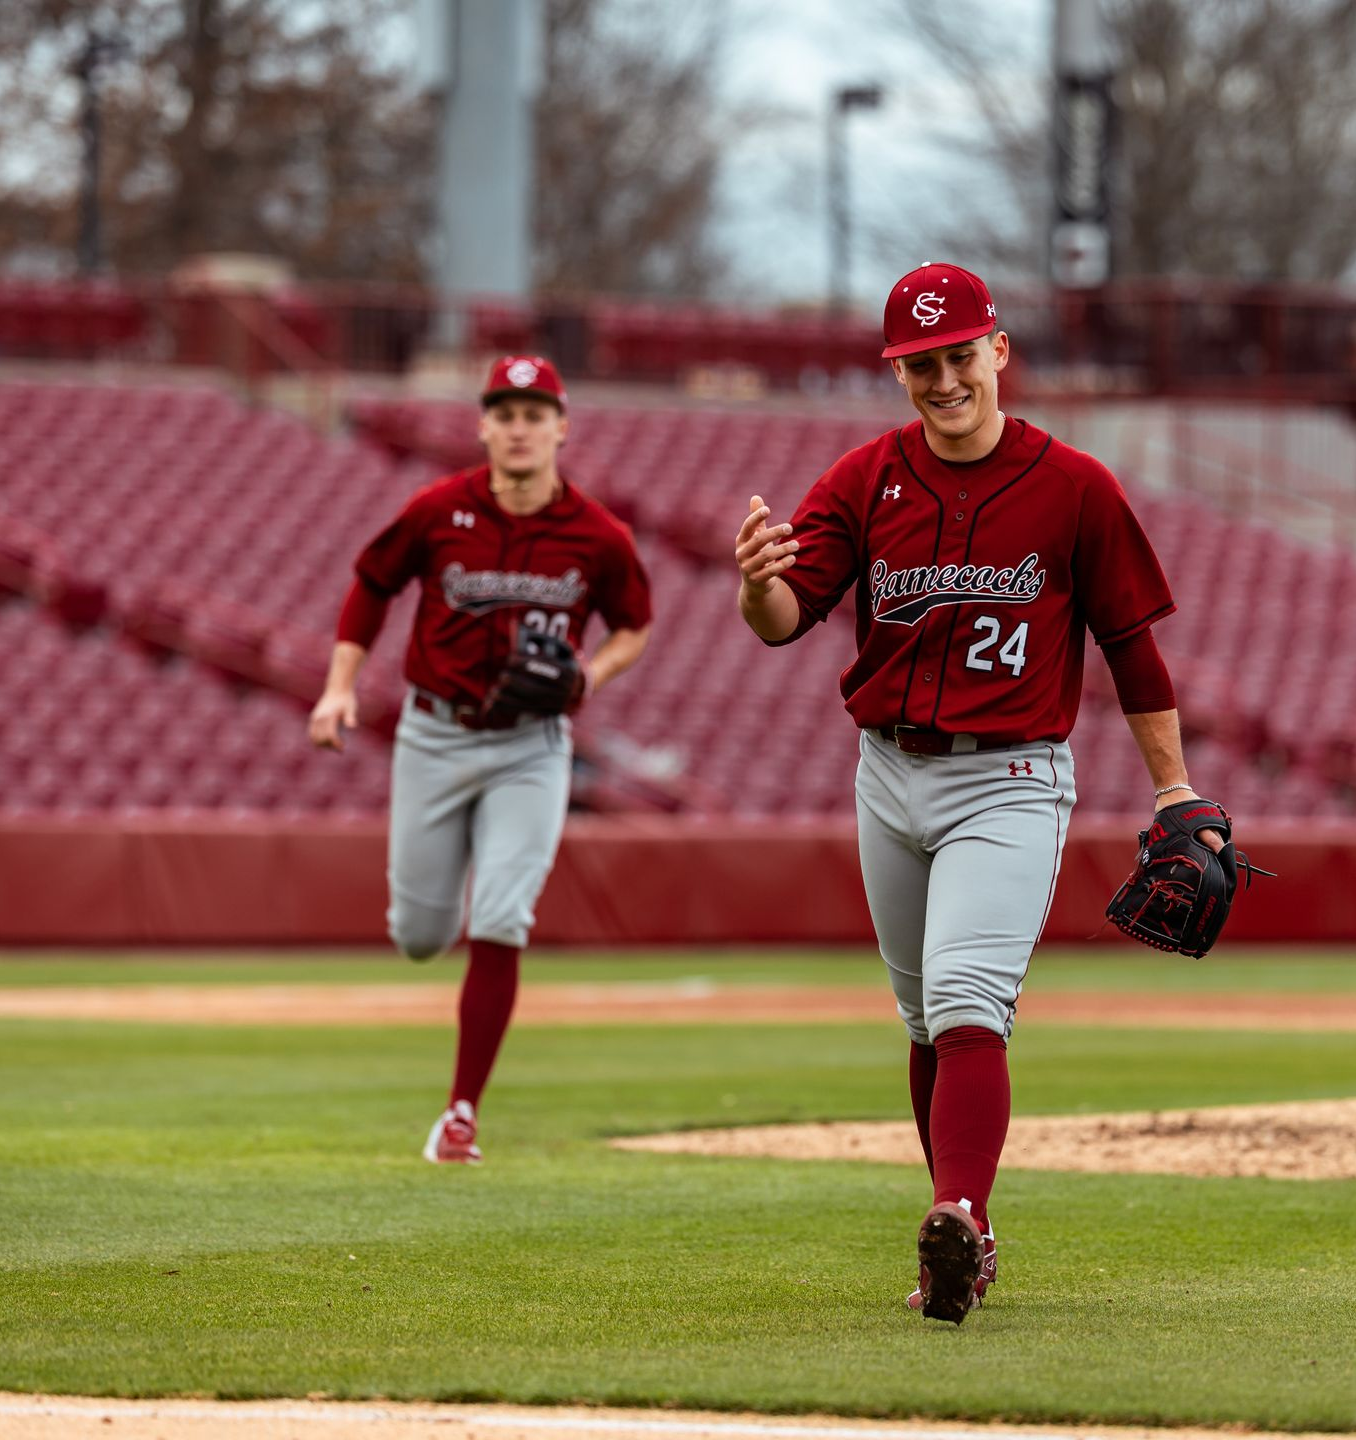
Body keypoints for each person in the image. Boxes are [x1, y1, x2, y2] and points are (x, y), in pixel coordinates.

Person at [732, 262, 1222, 1323]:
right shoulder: (866, 478)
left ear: (998, 351)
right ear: (898, 371)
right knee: (923, 1017)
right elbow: (787, 618)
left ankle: (958, 1205)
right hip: (888, 771)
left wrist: (1175, 789)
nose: (943, 378)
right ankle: (966, 1231)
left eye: (959, 354)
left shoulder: (1076, 486)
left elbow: (1131, 648)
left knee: (964, 1002)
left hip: (1008, 777)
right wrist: (756, 583)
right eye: (920, 363)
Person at [310, 355, 652, 1164]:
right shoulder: (438, 510)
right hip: (434, 733)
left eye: (535, 413)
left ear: (561, 427)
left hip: (531, 747)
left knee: (501, 916)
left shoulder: (598, 535)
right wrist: (337, 688)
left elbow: (633, 624)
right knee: (421, 935)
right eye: (505, 412)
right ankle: (430, 931)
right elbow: (371, 582)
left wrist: (586, 677)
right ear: (483, 426)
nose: (520, 427)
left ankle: (461, 1112)